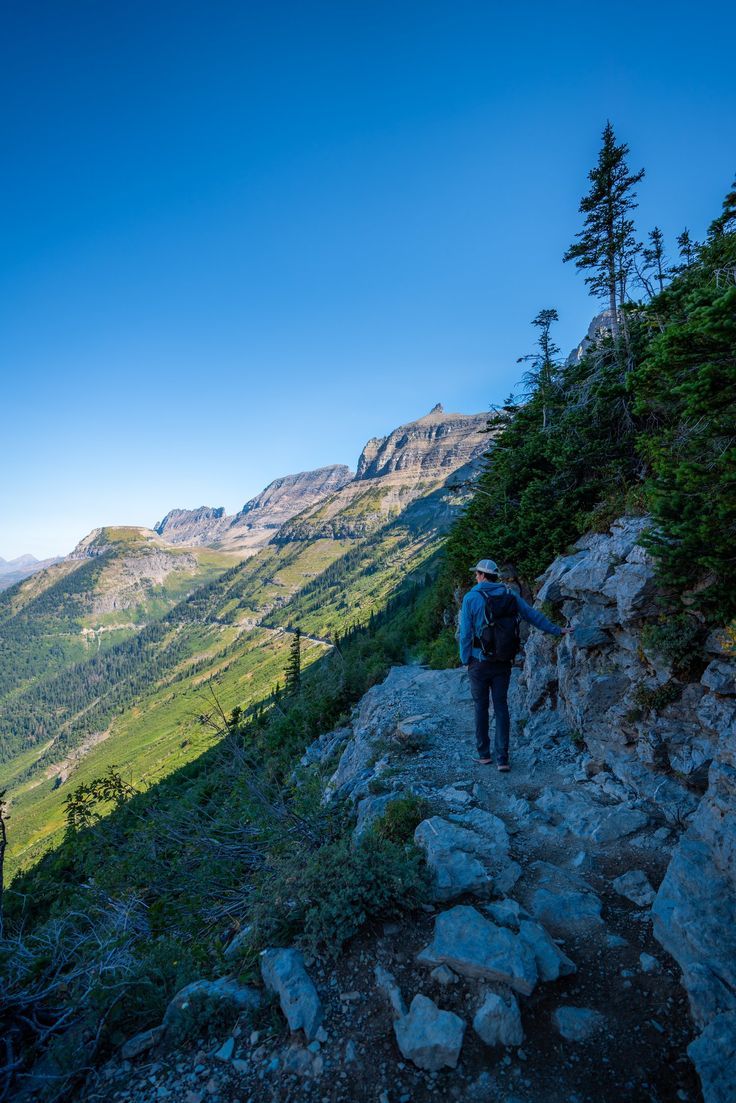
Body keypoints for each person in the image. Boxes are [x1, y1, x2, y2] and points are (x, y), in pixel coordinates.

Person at [459, 558, 570, 772]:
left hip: (479, 662)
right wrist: (557, 630)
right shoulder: (510, 595)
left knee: (481, 706)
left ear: (482, 575)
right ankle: (503, 759)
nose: (475, 577)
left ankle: (483, 754)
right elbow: (532, 616)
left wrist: (465, 660)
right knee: (501, 707)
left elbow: (465, 634)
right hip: (503, 660)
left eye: (476, 574)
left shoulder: (471, 598)